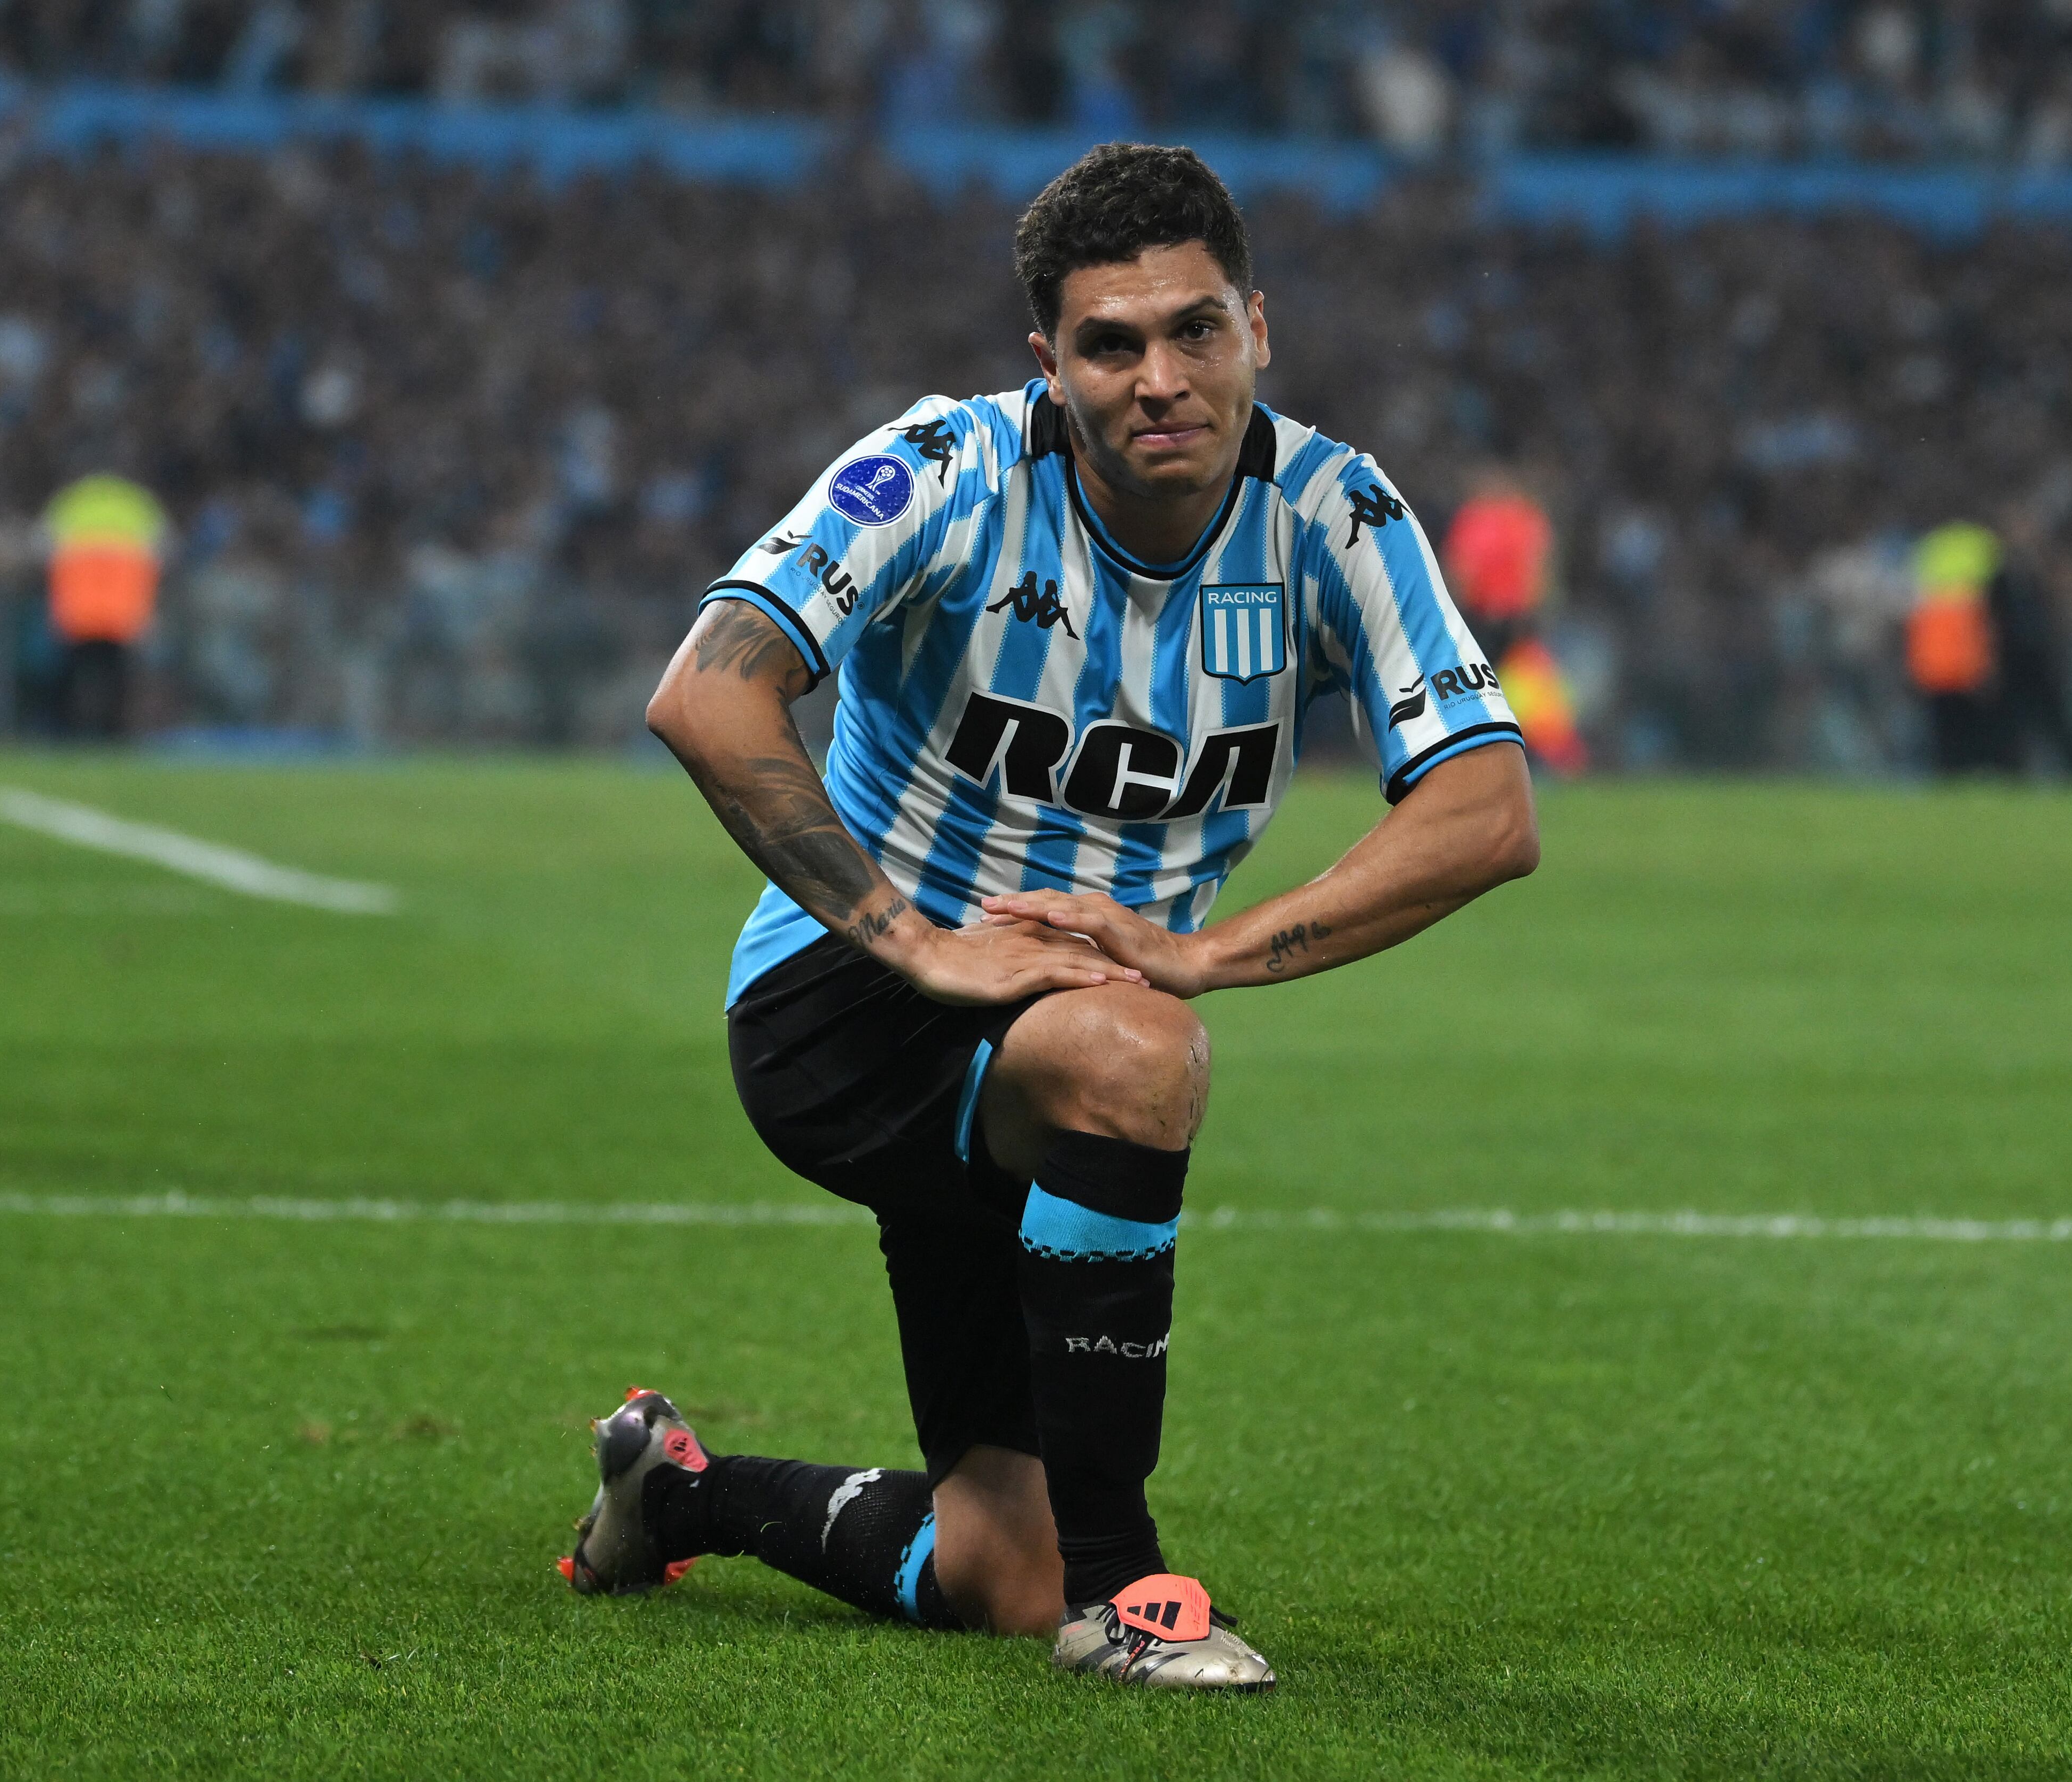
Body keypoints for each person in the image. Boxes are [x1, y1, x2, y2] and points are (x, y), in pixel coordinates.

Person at [563, 144, 1539, 1691]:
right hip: (849, 1010)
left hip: (1056, 1049)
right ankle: (1129, 1589)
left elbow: (1489, 808)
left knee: (985, 1566)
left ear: (1258, 328)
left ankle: (685, 1492)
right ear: (1051, 362)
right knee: (1139, 1054)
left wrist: (1209, 949)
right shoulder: (946, 469)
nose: (1162, 376)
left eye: (1196, 329)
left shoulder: (1336, 512)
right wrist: (913, 936)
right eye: (1112, 342)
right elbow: (711, 690)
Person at [1442, 466, 1587, 773]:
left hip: (1504, 618)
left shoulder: (1493, 519)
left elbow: (1462, 571)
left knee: (1503, 689)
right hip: (1498, 617)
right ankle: (1546, 757)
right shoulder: (1511, 518)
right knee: (1518, 689)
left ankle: (1543, 756)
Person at [42, 474, 168, 739]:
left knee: (74, 677)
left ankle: (71, 734)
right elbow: (164, 553)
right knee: (118, 679)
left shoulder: (71, 502)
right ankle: (115, 736)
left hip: (79, 613)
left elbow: (43, 550)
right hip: (122, 616)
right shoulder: (139, 504)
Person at [1984, 510, 2072, 776]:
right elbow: (1991, 623)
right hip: (2011, 659)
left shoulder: (2040, 573)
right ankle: (2010, 774)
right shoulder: (1998, 579)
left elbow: (2058, 611)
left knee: (2054, 719)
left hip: (2040, 659)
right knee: (2009, 724)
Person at [1907, 521, 2000, 774]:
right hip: (1961, 674)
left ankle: (1953, 774)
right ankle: (1969, 774)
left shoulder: (1926, 597)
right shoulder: (1970, 601)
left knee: (1946, 735)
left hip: (1937, 674)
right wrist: (1985, 671)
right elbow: (1978, 639)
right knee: (1968, 732)